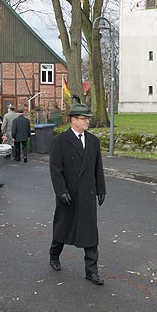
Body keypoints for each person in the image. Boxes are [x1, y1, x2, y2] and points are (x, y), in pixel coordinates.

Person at [49, 102, 106, 285]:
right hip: (69, 195)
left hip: (88, 194)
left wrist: (101, 189)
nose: (87, 121)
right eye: (84, 118)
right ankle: (54, 254)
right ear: (73, 120)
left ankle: (92, 271)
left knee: (90, 233)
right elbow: (55, 170)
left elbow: (98, 168)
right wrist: (61, 191)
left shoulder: (93, 141)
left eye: (88, 118)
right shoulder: (59, 141)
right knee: (63, 229)